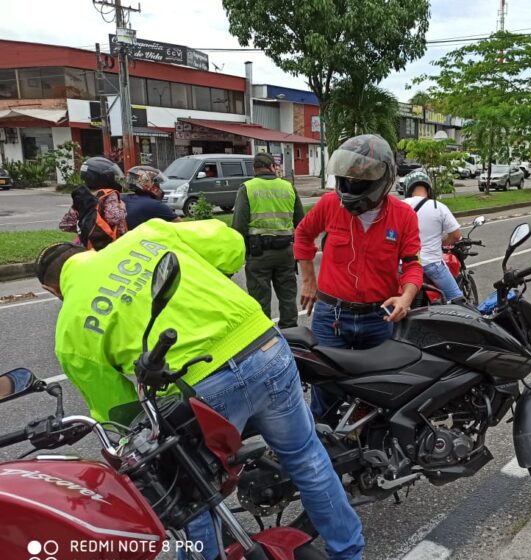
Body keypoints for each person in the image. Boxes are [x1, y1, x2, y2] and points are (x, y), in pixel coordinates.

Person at [35, 220, 364, 560]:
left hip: (201, 390)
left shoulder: (71, 328)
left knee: (193, 495)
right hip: (265, 347)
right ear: (87, 251)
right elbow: (231, 245)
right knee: (306, 457)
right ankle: (349, 552)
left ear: (53, 291)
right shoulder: (147, 235)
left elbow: (119, 413)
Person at [294, 134, 422, 417]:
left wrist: (406, 297)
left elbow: (412, 264)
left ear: (383, 179)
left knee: (379, 392)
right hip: (332, 316)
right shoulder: (329, 205)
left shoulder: (403, 215)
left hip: (380, 317)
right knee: (325, 393)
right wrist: (308, 281)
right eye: (350, 174)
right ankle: (324, 451)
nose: (354, 180)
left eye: (364, 175)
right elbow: (303, 235)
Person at [232, 153, 304, 329]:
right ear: (272, 166)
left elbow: (238, 226)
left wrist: (242, 253)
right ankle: (291, 335)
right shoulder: (288, 187)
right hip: (286, 252)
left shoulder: (247, 188)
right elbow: (301, 222)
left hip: (258, 254)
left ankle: (265, 339)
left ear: (255, 169)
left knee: (260, 299)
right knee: (287, 297)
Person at [402, 169, 463, 301]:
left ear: (408, 188)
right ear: (428, 189)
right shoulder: (438, 207)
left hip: (403, 266)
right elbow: (456, 235)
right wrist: (442, 243)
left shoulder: (400, 206)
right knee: (457, 299)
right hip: (432, 265)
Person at [58, 156, 128, 249]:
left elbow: (66, 224)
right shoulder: (109, 194)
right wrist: (122, 208)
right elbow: (113, 218)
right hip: (108, 244)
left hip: (85, 243)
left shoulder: (81, 195)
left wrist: (88, 229)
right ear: (104, 177)